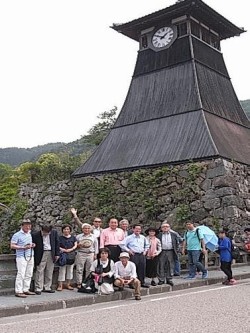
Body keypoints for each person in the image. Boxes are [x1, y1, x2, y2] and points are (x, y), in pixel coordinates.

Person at [10, 219, 36, 298]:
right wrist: (23, 247)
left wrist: (32, 245)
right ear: (22, 226)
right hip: (21, 256)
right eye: (26, 225)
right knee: (21, 273)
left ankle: (26, 289)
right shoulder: (17, 235)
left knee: (29, 273)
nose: (28, 227)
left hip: (30, 255)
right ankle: (18, 291)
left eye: (29, 225)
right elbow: (12, 245)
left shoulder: (29, 234)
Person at [32, 224, 60, 295]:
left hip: (51, 252)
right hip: (41, 253)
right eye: (45, 232)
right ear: (42, 230)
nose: (47, 233)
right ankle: (38, 288)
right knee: (40, 270)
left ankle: (47, 287)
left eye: (48, 232)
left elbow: (57, 243)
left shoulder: (54, 233)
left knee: (50, 270)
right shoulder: (36, 235)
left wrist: (57, 254)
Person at [75, 223, 99, 289]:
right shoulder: (78, 236)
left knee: (89, 269)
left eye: (88, 228)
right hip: (81, 253)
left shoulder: (93, 236)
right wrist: (78, 246)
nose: (87, 230)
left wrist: (95, 254)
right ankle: (79, 283)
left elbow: (96, 246)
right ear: (82, 229)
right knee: (79, 268)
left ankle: (87, 282)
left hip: (90, 253)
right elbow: (74, 246)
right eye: (85, 228)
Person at [157, 222, 179, 286]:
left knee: (170, 265)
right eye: (164, 227)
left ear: (169, 228)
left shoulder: (173, 234)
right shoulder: (159, 235)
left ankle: (169, 279)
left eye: (167, 226)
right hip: (162, 251)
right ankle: (161, 279)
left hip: (171, 251)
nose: (165, 228)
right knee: (161, 265)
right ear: (161, 228)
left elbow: (177, 243)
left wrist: (177, 250)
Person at [57, 224, 77, 291]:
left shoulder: (73, 237)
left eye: (68, 229)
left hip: (71, 255)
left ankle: (68, 284)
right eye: (65, 229)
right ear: (62, 230)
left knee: (70, 270)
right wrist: (63, 250)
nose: (66, 230)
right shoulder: (60, 238)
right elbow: (57, 245)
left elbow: (75, 245)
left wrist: (70, 249)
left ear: (70, 230)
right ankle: (60, 285)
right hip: (63, 255)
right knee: (62, 270)